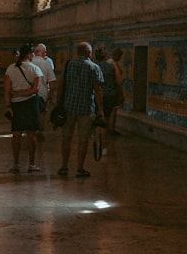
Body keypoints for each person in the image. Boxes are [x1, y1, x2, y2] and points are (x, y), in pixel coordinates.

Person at [54, 41, 105, 178]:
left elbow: (61, 84)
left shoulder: (68, 64)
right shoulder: (94, 67)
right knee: (83, 139)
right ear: (89, 53)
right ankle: (79, 169)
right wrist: (100, 110)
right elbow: (98, 91)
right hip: (86, 108)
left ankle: (64, 167)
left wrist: (59, 102)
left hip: (68, 106)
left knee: (66, 137)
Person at [4, 43, 44, 173]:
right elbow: (35, 90)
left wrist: (8, 105)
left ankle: (16, 164)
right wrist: (23, 92)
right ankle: (31, 165)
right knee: (31, 135)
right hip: (31, 104)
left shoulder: (10, 69)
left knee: (16, 135)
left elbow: (7, 90)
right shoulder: (35, 69)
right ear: (29, 54)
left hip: (16, 104)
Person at [30, 46, 57, 144]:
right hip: (42, 93)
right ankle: (40, 130)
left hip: (29, 92)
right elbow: (52, 82)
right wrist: (51, 94)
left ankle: (31, 132)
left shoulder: (29, 63)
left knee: (32, 113)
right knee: (42, 113)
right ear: (44, 53)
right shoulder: (46, 64)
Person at [108, 48, 125, 135]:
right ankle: (111, 129)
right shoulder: (113, 64)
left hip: (107, 91)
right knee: (113, 110)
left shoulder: (107, 63)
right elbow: (119, 80)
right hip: (113, 90)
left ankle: (107, 129)